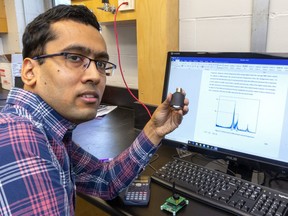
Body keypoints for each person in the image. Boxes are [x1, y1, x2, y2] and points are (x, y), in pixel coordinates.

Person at [0, 4, 189, 216]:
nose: (95, 76)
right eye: (74, 57)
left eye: (100, 63)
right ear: (29, 71)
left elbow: (105, 181)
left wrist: (154, 130)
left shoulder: (50, 132)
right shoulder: (19, 140)